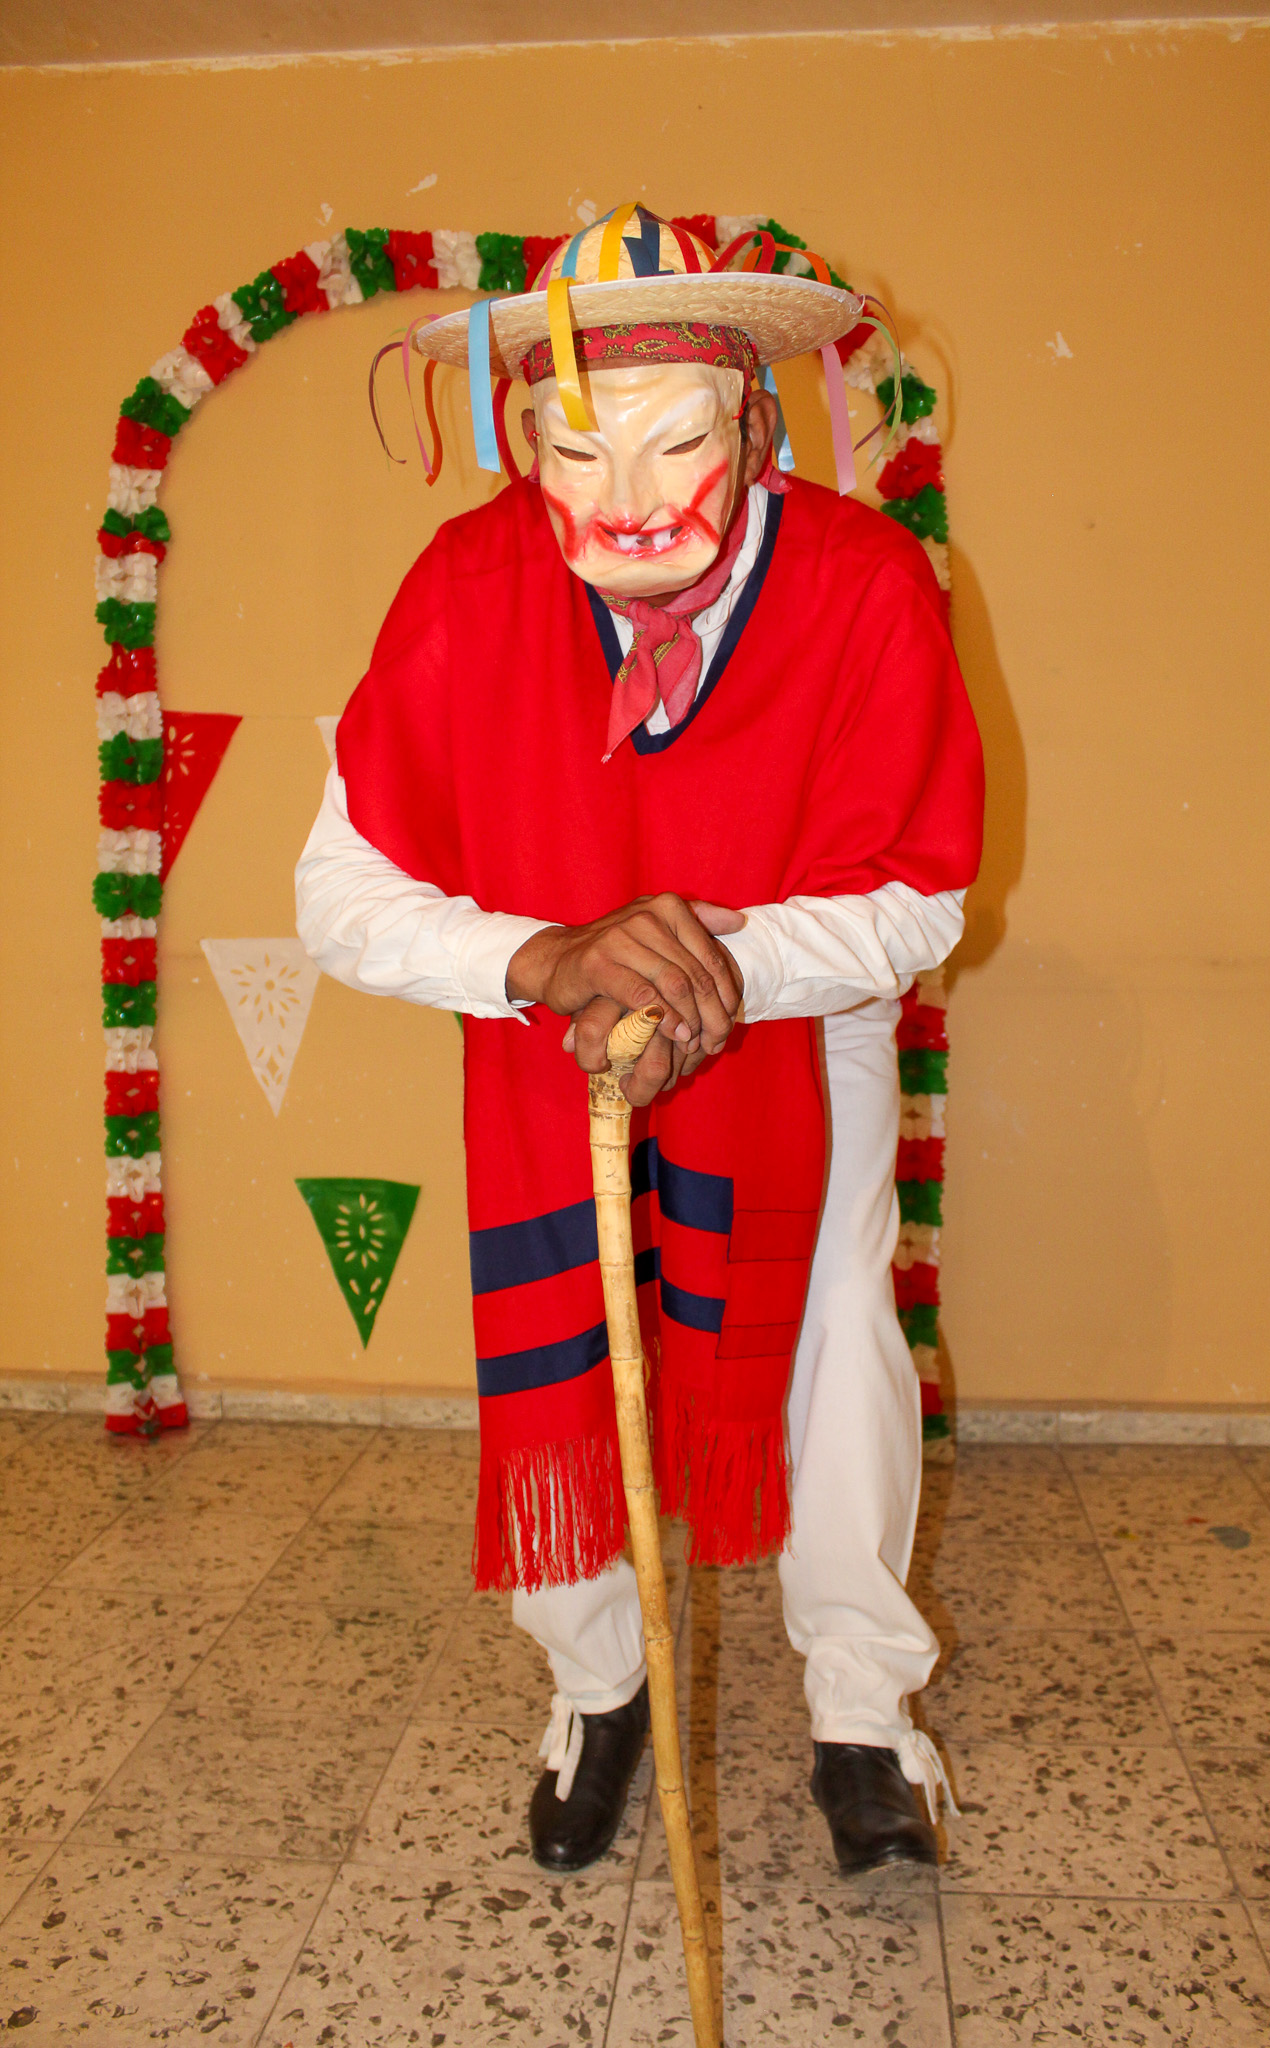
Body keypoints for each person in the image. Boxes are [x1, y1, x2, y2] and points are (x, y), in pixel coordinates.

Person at [296, 205, 983, 1877]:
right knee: (561, 1343)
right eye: (574, 451)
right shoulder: (465, 581)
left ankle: (862, 1710)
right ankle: (595, 1688)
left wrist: (704, 975)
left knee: (833, 1346)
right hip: (543, 1044)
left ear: (754, 423)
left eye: (676, 443)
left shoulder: (865, 582)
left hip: (790, 1031)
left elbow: (917, 900)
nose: (626, 502)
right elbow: (339, 897)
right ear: (518, 435)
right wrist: (547, 956)